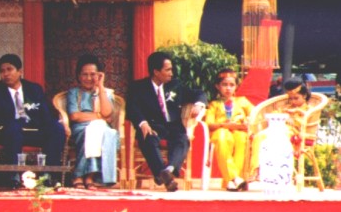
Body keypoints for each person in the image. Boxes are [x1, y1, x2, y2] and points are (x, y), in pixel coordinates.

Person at [0, 54, 66, 188]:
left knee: (56, 128)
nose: (5, 74)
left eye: (9, 69)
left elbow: (46, 114)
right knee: (14, 125)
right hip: (7, 132)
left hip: (33, 131)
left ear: (20, 71)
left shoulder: (34, 89)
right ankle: (13, 176)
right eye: (2, 71)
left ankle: (49, 175)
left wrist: (55, 124)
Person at [126, 51, 207, 192]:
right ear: (156, 72)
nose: (172, 73)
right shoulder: (138, 87)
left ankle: (166, 172)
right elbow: (131, 108)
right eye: (168, 69)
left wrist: (199, 104)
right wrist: (142, 123)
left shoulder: (175, 85)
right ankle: (165, 175)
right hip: (153, 126)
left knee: (183, 140)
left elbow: (199, 93)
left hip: (174, 127)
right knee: (148, 138)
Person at [66, 55, 119, 189]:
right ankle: (87, 176)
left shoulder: (105, 92)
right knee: (90, 132)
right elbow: (74, 116)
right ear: (79, 76)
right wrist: (99, 116)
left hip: (101, 128)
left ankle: (84, 176)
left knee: (103, 132)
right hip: (80, 128)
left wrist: (100, 87)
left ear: (99, 75)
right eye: (85, 74)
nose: (89, 78)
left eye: (93, 74)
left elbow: (108, 115)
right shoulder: (74, 93)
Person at [250, 76, 311, 178]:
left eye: (296, 98)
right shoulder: (286, 107)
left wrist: (293, 118)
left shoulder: (309, 109)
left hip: (292, 134)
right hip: (275, 130)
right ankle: (256, 169)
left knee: (277, 139)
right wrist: (282, 116)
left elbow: (303, 124)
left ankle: (278, 174)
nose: (293, 102)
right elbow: (273, 115)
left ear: (304, 96)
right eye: (290, 98)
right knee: (259, 136)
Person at [205, 69, 253, 191]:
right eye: (224, 85)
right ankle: (235, 179)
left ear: (236, 86)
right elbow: (209, 124)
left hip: (239, 133)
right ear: (218, 86)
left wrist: (247, 120)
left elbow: (255, 117)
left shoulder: (243, 101)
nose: (228, 88)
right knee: (222, 136)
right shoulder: (214, 104)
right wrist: (226, 125)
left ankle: (231, 181)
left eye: (232, 85)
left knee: (242, 138)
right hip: (221, 133)